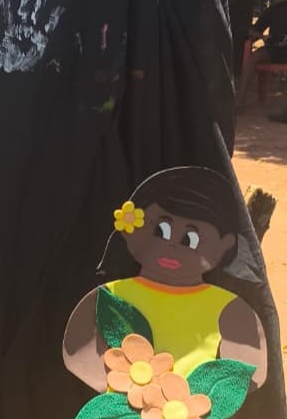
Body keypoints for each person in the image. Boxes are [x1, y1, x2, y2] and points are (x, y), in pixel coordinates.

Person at [63, 167, 267, 414]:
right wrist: (133, 398)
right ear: (131, 230)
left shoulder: (229, 307)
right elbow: (79, 354)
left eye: (190, 239)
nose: (172, 246)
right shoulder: (111, 296)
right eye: (161, 231)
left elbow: (249, 370)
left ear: (225, 245)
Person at [238, 0, 287, 110]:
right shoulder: (276, 8)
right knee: (255, 57)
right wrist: (262, 37)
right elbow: (254, 30)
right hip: (275, 49)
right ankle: (240, 101)